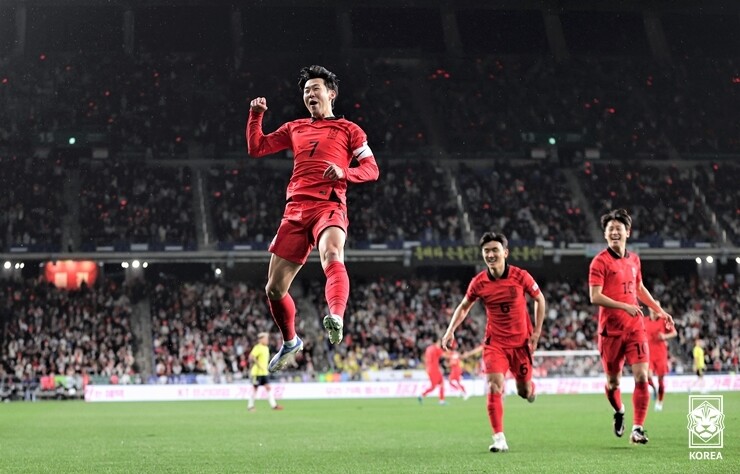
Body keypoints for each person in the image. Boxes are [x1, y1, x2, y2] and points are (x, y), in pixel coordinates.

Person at [247, 65, 380, 372]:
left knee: (332, 253)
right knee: (273, 289)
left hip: (328, 205)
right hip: (295, 210)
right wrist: (256, 116)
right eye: (306, 91)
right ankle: (291, 341)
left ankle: (336, 315)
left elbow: (371, 169)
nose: (309, 94)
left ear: (331, 93)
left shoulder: (350, 130)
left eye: (315, 88)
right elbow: (257, 148)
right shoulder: (295, 127)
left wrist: (344, 172)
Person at [442, 232, 546, 453]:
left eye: (495, 250)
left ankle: (530, 389)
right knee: (493, 385)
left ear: (505, 253)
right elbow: (463, 307)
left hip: (521, 344)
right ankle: (499, 438)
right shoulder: (479, 282)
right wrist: (450, 330)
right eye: (486, 251)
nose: (490, 254)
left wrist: (536, 332)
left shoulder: (520, 276)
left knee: (523, 391)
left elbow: (539, 299)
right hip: (495, 343)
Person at [588, 209, 674, 445]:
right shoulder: (599, 262)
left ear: (628, 232)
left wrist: (659, 310)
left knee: (641, 376)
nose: (615, 232)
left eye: (619, 228)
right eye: (610, 229)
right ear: (605, 235)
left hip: (635, 327)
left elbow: (639, 288)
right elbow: (594, 297)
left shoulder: (634, 259)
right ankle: (619, 411)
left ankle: (637, 429)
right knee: (613, 382)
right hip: (611, 331)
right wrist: (623, 306)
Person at [644, 304, 677, 411]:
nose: (654, 309)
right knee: (647, 376)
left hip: (661, 354)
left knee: (661, 380)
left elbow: (674, 333)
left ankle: (659, 401)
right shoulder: (644, 321)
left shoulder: (663, 320)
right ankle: (654, 389)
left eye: (656, 307)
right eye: (652, 307)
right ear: (649, 308)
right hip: (649, 354)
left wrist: (665, 336)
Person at [247, 333, 283, 411]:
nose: (267, 340)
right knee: (255, 389)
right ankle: (250, 406)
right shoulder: (257, 347)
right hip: (257, 372)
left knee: (268, 388)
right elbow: (251, 356)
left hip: (264, 372)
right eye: (266, 339)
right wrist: (258, 364)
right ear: (261, 339)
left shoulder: (266, 348)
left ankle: (274, 405)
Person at [418, 338, 447, 405]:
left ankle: (422, 395)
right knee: (437, 385)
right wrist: (454, 355)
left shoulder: (428, 348)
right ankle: (441, 401)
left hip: (429, 369)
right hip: (434, 369)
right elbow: (444, 355)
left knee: (437, 384)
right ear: (437, 342)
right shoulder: (436, 348)